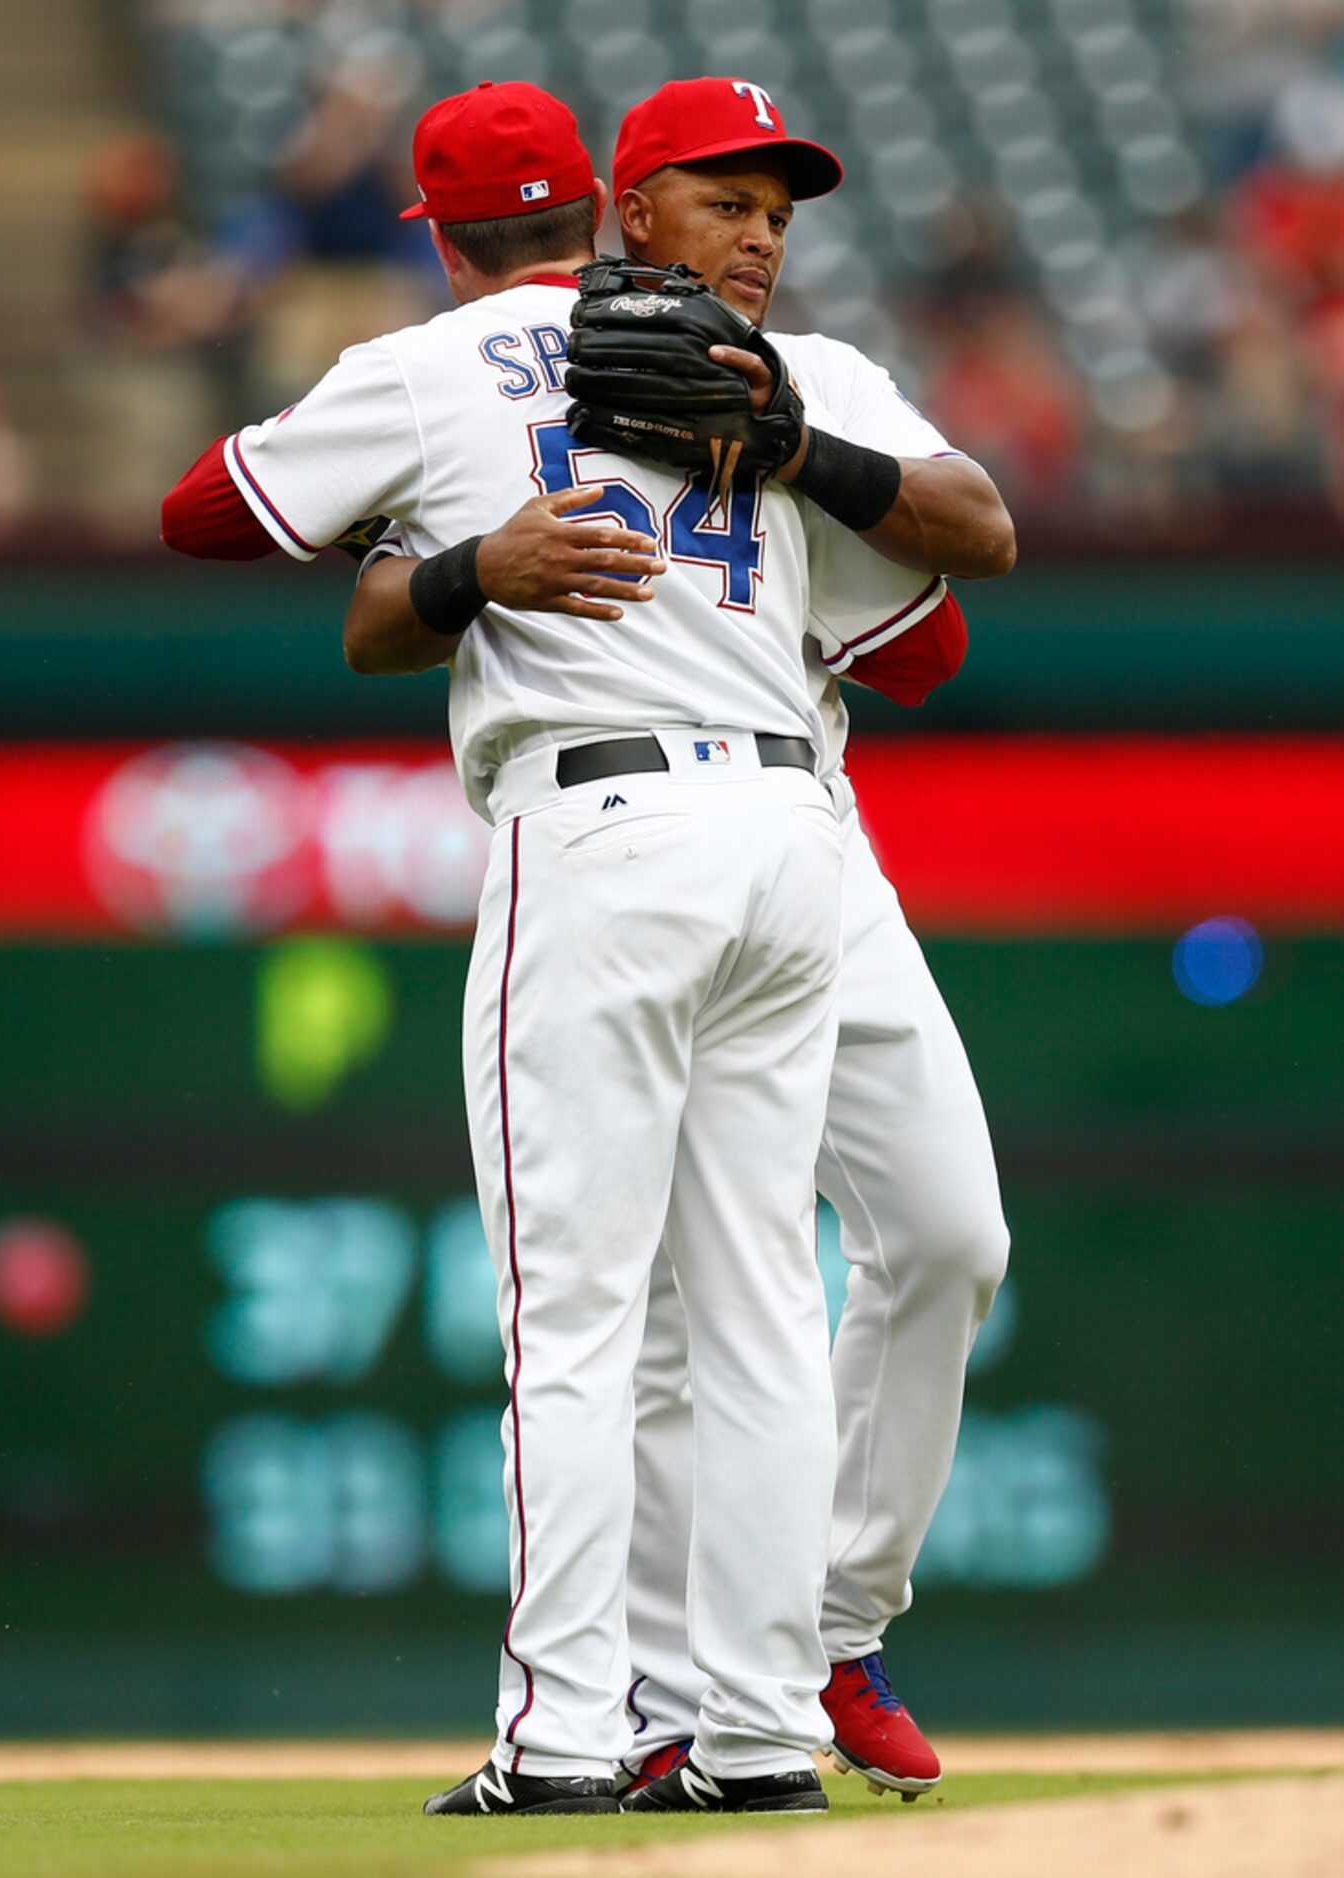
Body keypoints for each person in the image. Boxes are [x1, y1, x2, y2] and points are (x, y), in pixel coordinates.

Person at [163, 80, 865, 1819]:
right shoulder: (753, 362)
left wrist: (449, 548)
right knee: (769, 1310)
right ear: (614, 208)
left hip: (606, 824)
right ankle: (763, 1732)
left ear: (446, 228)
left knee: (576, 1321)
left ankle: (564, 1735)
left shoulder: (430, 362)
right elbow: (921, 610)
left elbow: (202, 515)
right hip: (794, 831)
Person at [341, 77, 1016, 1813]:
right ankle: (678, 1696)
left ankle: (823, 1624)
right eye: (730, 200)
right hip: (649, 820)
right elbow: (351, 581)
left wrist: (795, 453)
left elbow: (963, 573)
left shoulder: (826, 373)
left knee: (946, 1231)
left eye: (783, 205)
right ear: (628, 210)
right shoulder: (516, 371)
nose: (767, 231)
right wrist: (471, 566)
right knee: (657, 1307)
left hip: (800, 828)